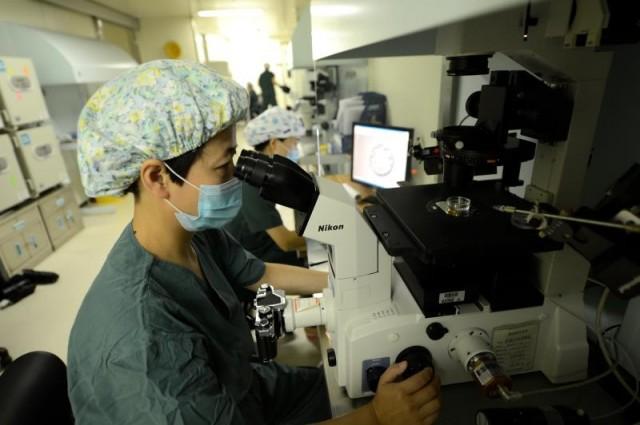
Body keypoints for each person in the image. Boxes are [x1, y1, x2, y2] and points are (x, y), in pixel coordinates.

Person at [68, 60, 441, 425]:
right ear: (157, 178)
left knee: (345, 387)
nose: (237, 176)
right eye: (223, 165)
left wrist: (359, 281)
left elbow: (259, 273)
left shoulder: (190, 232)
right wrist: (376, 417)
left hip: (247, 388)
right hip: (223, 407)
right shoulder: (144, 344)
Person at [225, 107, 307, 266]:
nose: (295, 150)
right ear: (274, 143)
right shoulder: (253, 183)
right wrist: (330, 235)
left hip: (263, 247)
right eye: (294, 143)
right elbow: (286, 242)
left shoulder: (257, 168)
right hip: (255, 261)